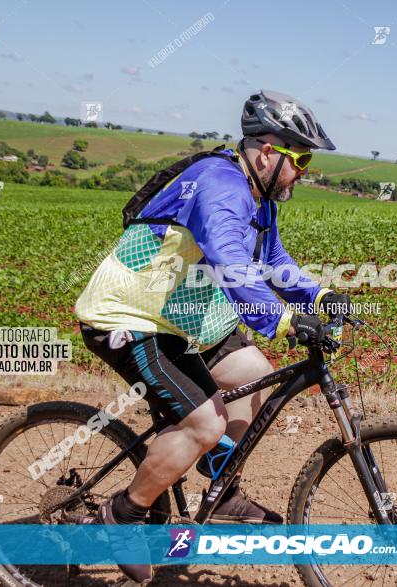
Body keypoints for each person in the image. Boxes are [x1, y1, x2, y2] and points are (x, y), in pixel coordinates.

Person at [75, 89, 350, 582]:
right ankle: (123, 515)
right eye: (301, 158)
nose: (304, 171)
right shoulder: (221, 184)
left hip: (181, 316)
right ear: (269, 151)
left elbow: (272, 262)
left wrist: (320, 297)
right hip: (129, 316)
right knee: (205, 425)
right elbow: (230, 264)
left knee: (255, 373)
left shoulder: (257, 194)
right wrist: (284, 322)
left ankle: (222, 487)